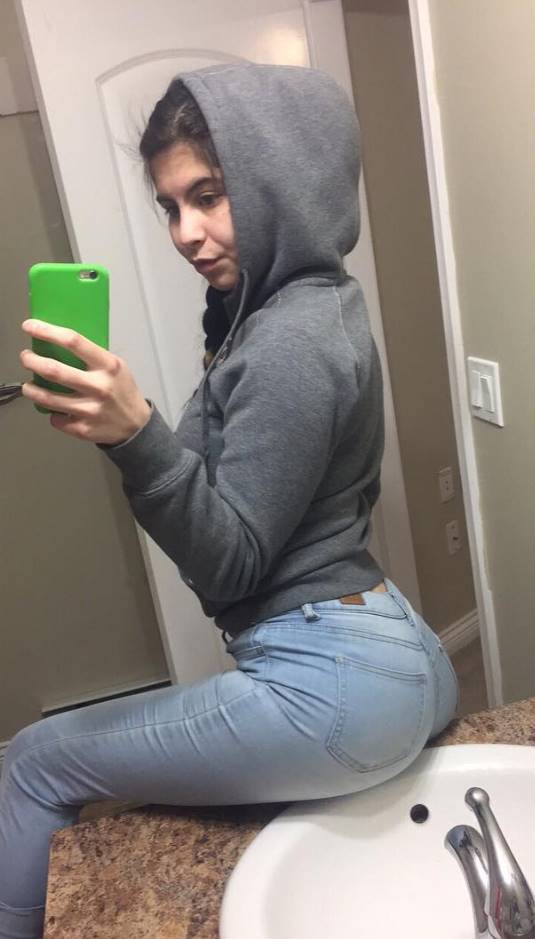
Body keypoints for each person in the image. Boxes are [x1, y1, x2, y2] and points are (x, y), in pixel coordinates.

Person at [0, 63, 458, 938]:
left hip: (335, 678)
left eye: (209, 195)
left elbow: (229, 560)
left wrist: (136, 434)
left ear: (280, 178)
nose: (187, 232)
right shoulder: (303, 308)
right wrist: (130, 431)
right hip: (394, 650)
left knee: (33, 761)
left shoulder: (289, 340)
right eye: (171, 206)